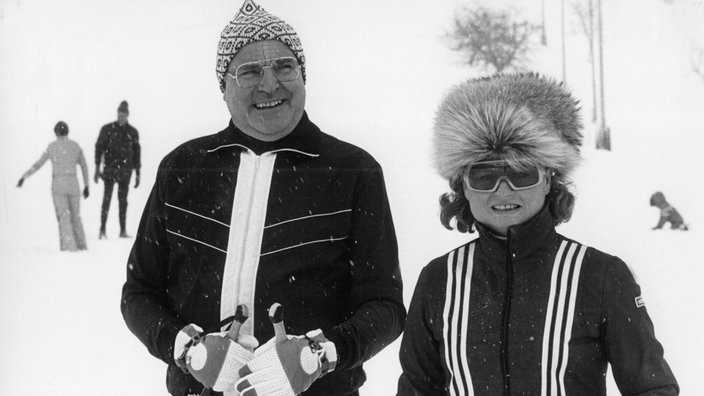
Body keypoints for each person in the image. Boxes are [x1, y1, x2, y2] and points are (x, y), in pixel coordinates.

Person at [120, 1, 405, 395]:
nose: (270, 84)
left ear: (303, 76)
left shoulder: (353, 171)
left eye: (284, 67)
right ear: (224, 87)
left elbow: (384, 307)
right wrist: (190, 351)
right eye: (249, 71)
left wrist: (317, 356)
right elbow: (139, 293)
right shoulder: (184, 169)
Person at [397, 73, 679, 395]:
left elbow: (652, 388)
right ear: (462, 186)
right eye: (485, 176)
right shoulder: (440, 279)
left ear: (548, 180)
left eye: (521, 173)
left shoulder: (600, 276)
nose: (503, 191)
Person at [17, 121, 90, 251]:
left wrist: (24, 176)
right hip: (73, 183)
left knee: (64, 216)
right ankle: (81, 245)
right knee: (76, 216)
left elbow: (38, 164)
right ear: (67, 131)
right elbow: (84, 166)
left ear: (56, 132)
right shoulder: (75, 146)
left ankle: (69, 247)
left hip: (58, 184)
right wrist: (86, 185)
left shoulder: (51, 147)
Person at [94, 100, 141, 239]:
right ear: (117, 113)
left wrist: (138, 172)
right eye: (120, 113)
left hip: (125, 171)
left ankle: (123, 230)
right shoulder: (107, 129)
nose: (122, 116)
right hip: (109, 170)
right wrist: (97, 167)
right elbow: (99, 148)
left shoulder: (132, 132)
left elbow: (137, 153)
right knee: (106, 199)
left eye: (124, 113)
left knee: (123, 201)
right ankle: (102, 229)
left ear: (127, 115)